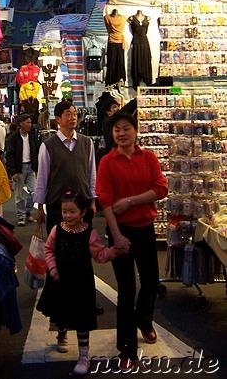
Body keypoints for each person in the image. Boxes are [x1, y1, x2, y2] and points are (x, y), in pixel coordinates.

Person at [96, 112, 168, 372]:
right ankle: (126, 349)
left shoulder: (147, 157)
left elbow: (160, 189)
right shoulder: (107, 162)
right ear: (112, 134)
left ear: (135, 131)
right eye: (117, 130)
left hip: (145, 228)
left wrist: (130, 201)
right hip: (121, 230)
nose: (122, 133)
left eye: (126, 128)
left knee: (150, 281)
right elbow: (105, 202)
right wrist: (116, 236)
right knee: (126, 289)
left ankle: (144, 321)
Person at [36, 189, 124, 375]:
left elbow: (100, 255)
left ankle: (84, 355)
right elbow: (49, 250)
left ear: (83, 211)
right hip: (59, 281)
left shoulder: (89, 234)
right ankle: (62, 333)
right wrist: (53, 268)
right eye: (64, 211)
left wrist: (115, 251)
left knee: (83, 318)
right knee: (60, 312)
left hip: (81, 283)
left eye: (72, 211)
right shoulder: (57, 230)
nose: (67, 215)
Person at [35, 99, 97, 234]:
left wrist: (92, 201)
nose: (73, 118)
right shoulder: (48, 146)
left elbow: (91, 174)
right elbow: (42, 178)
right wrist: (40, 208)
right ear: (58, 118)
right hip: (57, 205)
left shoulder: (87, 143)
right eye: (68, 114)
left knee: (83, 244)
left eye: (74, 114)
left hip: (82, 203)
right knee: (58, 245)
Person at [5, 113, 38, 226]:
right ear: (21, 124)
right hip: (19, 168)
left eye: (30, 122)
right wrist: (12, 171)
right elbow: (9, 155)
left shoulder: (32, 136)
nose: (30, 125)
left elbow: (35, 152)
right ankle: (21, 216)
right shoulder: (13, 138)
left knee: (34, 192)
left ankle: (27, 211)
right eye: (28, 122)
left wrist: (36, 167)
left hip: (30, 167)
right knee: (19, 195)